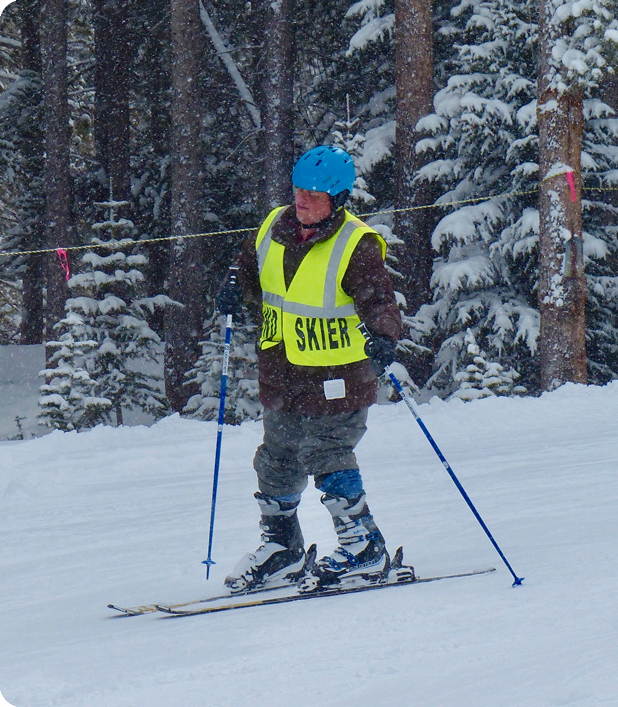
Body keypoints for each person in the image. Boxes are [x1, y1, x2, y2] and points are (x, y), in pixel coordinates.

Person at [216, 145, 401, 593]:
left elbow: (379, 299)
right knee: (276, 458)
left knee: (328, 451)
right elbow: (248, 269)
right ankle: (282, 548)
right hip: (283, 371)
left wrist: (384, 334)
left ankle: (363, 545)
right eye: (298, 190)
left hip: (339, 372)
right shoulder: (272, 228)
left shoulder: (354, 244)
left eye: (313, 195)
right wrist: (233, 288)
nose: (301, 201)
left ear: (337, 198)